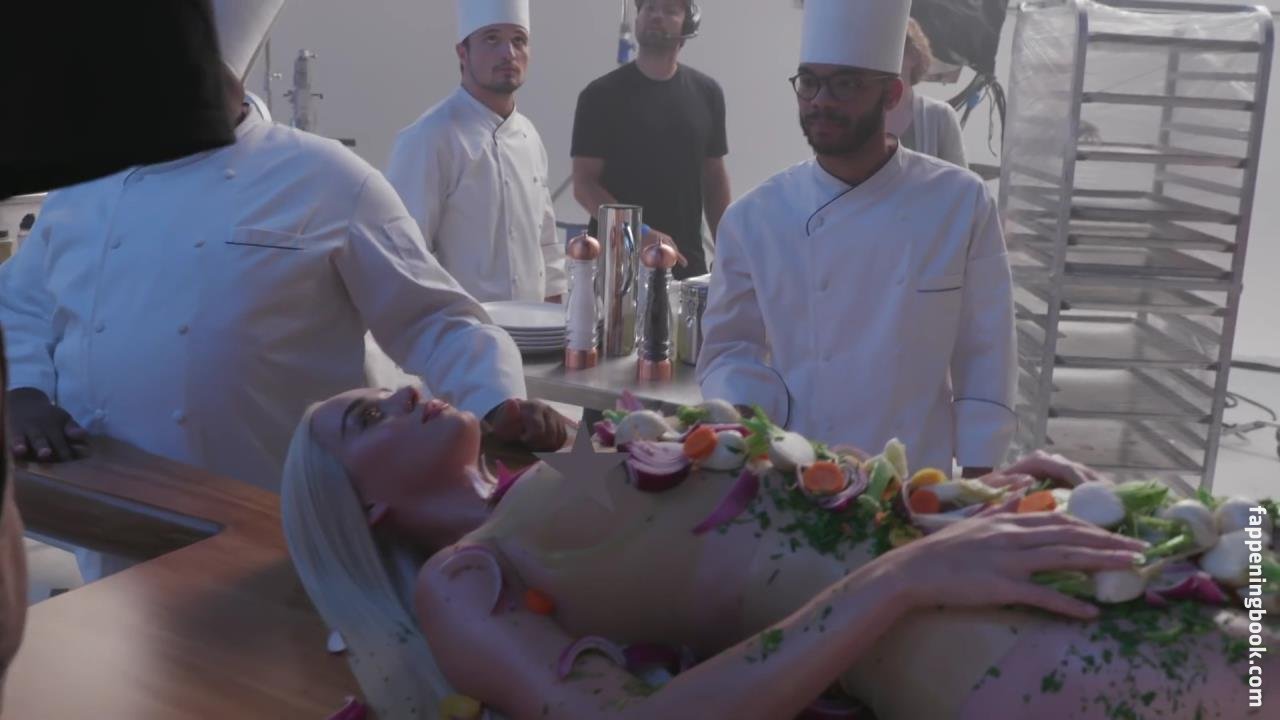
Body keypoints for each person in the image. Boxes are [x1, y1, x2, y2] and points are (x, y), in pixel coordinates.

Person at [281, 384, 1269, 719]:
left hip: (989, 542)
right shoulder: (464, 581)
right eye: (366, 417)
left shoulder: (550, 463)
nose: (401, 390)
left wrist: (976, 493)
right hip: (955, 637)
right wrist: (906, 576)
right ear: (364, 507)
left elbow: (816, 494)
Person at [0, 0, 568, 493]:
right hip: (108, 509)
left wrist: (497, 401)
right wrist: (23, 391)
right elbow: (21, 303)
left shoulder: (326, 177)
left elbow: (432, 319)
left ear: (218, 72)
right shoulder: (86, 182)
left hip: (280, 514)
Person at [697, 0, 1015, 478]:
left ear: (892, 94)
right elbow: (729, 350)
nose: (821, 100)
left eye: (845, 83)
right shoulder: (754, 219)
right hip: (795, 472)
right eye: (809, 82)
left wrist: (977, 475)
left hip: (914, 479)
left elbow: (986, 349)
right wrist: (746, 416)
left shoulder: (958, 203)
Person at [386, 0, 566, 305]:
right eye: (492, 39)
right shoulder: (429, 138)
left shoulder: (530, 137)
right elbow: (405, 257)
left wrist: (555, 321)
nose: (508, 53)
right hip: (462, 328)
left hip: (534, 327)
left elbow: (546, 244)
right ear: (463, 52)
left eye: (518, 40)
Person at [571, 0, 730, 279]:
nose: (657, 15)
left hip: (685, 262)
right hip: (617, 267)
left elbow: (714, 179)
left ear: (687, 25)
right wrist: (636, 232)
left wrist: (730, 250)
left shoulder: (708, 93)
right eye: (650, 8)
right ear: (637, 19)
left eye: (669, 10)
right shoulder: (599, 96)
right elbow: (584, 185)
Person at [885, 18, 968, 168]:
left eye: (891, 47)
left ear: (914, 55)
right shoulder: (857, 111)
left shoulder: (940, 116)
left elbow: (960, 179)